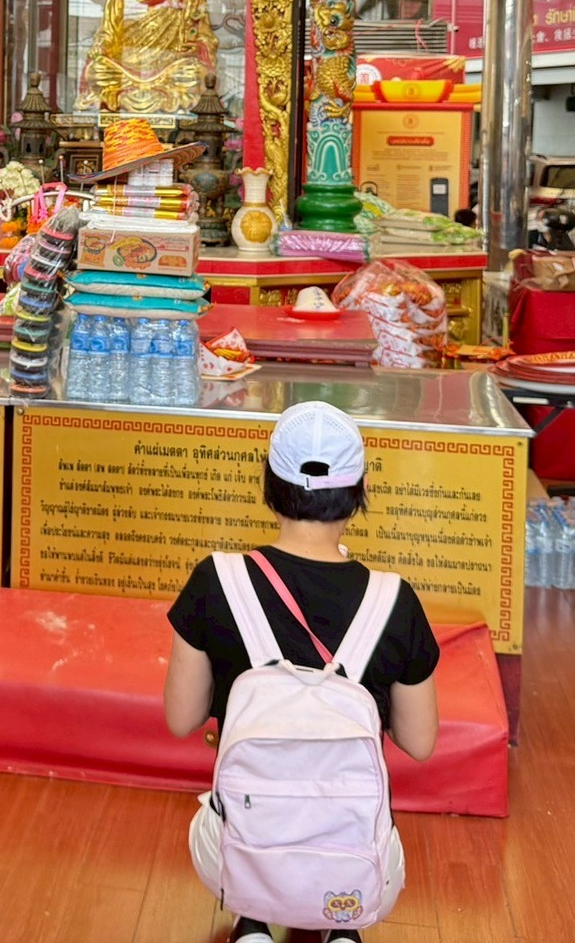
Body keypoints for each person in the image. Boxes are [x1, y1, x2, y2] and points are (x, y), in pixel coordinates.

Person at [163, 401, 441, 943]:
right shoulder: (394, 600)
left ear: (270, 484)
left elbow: (180, 719)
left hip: (237, 852)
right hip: (357, 855)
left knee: (218, 823)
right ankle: (342, 923)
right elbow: (421, 741)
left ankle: (253, 917)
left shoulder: (216, 580)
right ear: (359, 490)